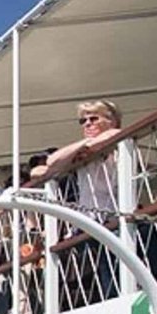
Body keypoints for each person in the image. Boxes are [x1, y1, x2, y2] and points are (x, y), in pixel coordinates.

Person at [30, 101, 124, 301]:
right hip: (91, 224)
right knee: (98, 280)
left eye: (93, 119)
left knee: (113, 283)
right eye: (83, 120)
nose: (87, 124)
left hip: (114, 220)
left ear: (111, 121)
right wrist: (77, 152)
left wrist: (78, 151)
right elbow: (44, 167)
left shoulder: (118, 138)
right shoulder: (86, 151)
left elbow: (108, 137)